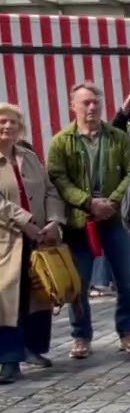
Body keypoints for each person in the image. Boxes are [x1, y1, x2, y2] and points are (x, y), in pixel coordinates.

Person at [46, 81, 130, 359]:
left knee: (127, 280)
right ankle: (81, 336)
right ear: (73, 106)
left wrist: (112, 202)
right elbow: (57, 178)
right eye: (86, 102)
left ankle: (126, 330)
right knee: (78, 283)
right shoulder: (61, 141)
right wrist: (87, 202)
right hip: (79, 222)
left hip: (114, 219)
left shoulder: (117, 138)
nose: (92, 107)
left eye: (96, 101)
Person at [0, 104, 64, 382]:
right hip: (7, 240)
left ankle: (32, 348)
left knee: (39, 292)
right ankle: (9, 358)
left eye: (13, 122)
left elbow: (50, 189)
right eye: (2, 122)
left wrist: (54, 220)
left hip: (39, 237)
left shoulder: (29, 156)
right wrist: (23, 219)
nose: (8, 127)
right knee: (6, 296)